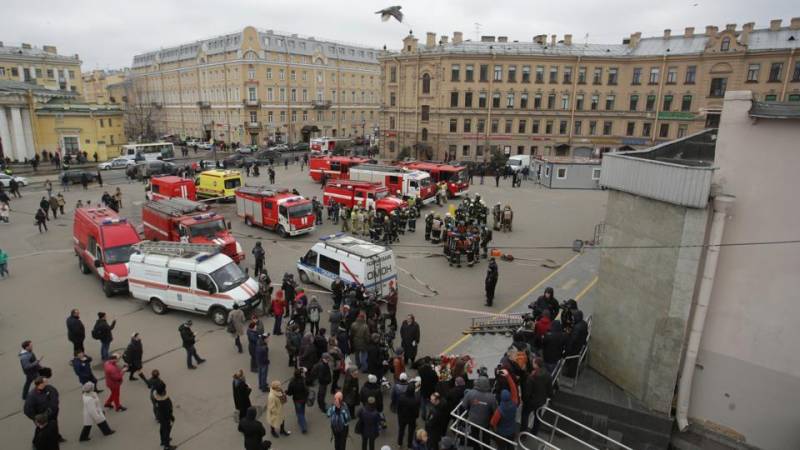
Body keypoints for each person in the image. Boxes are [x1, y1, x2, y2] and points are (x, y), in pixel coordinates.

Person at [461, 375, 497, 450]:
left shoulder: (470, 393)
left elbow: (464, 405)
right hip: (485, 421)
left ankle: (476, 448)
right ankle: (486, 448)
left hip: (473, 420)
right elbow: (495, 410)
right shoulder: (491, 397)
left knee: (474, 436)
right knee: (486, 436)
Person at [521, 358, 553, 434]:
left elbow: (527, 392)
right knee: (538, 416)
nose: (532, 364)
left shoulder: (531, 377)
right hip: (541, 401)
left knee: (525, 415)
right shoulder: (548, 375)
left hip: (530, 401)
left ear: (536, 365)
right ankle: (534, 432)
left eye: (533, 363)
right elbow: (550, 389)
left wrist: (524, 400)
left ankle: (523, 433)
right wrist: (549, 397)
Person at [397, 383, 420, 448]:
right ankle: (409, 445)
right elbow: (416, 411)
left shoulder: (401, 397)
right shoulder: (416, 400)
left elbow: (399, 408)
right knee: (411, 432)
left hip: (402, 417)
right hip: (411, 419)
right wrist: (416, 417)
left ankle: (399, 443)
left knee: (401, 430)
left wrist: (399, 415)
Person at [286, 368, 309, 434]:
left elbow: (290, 392)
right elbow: (306, 389)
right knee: (302, 410)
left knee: (299, 412)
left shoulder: (292, 382)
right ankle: (301, 420)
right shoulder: (303, 380)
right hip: (304, 398)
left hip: (297, 399)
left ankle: (303, 426)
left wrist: (286, 392)